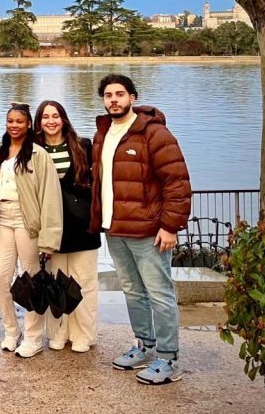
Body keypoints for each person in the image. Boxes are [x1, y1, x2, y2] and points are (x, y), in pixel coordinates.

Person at [90, 74, 191, 385]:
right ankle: (145, 345)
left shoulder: (154, 133)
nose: (113, 100)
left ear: (132, 97)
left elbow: (177, 182)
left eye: (119, 94)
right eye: (108, 95)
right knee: (133, 291)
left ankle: (169, 357)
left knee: (160, 294)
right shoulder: (103, 133)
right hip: (115, 227)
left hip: (148, 230)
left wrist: (170, 226)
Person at [0, 102, 63, 358]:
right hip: (2, 220)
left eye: (19, 121)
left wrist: (49, 239)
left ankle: (33, 337)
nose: (14, 126)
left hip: (28, 222)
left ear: (29, 124)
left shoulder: (39, 155)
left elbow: (50, 197)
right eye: (10, 121)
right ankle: (11, 330)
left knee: (32, 282)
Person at [33, 100, 100, 353]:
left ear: (63, 118)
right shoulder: (34, 149)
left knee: (84, 282)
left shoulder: (82, 146)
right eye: (45, 117)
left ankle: (84, 333)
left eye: (56, 116)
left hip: (82, 224)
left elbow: (96, 183)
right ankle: (59, 332)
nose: (51, 121)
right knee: (57, 281)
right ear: (38, 121)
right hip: (51, 227)